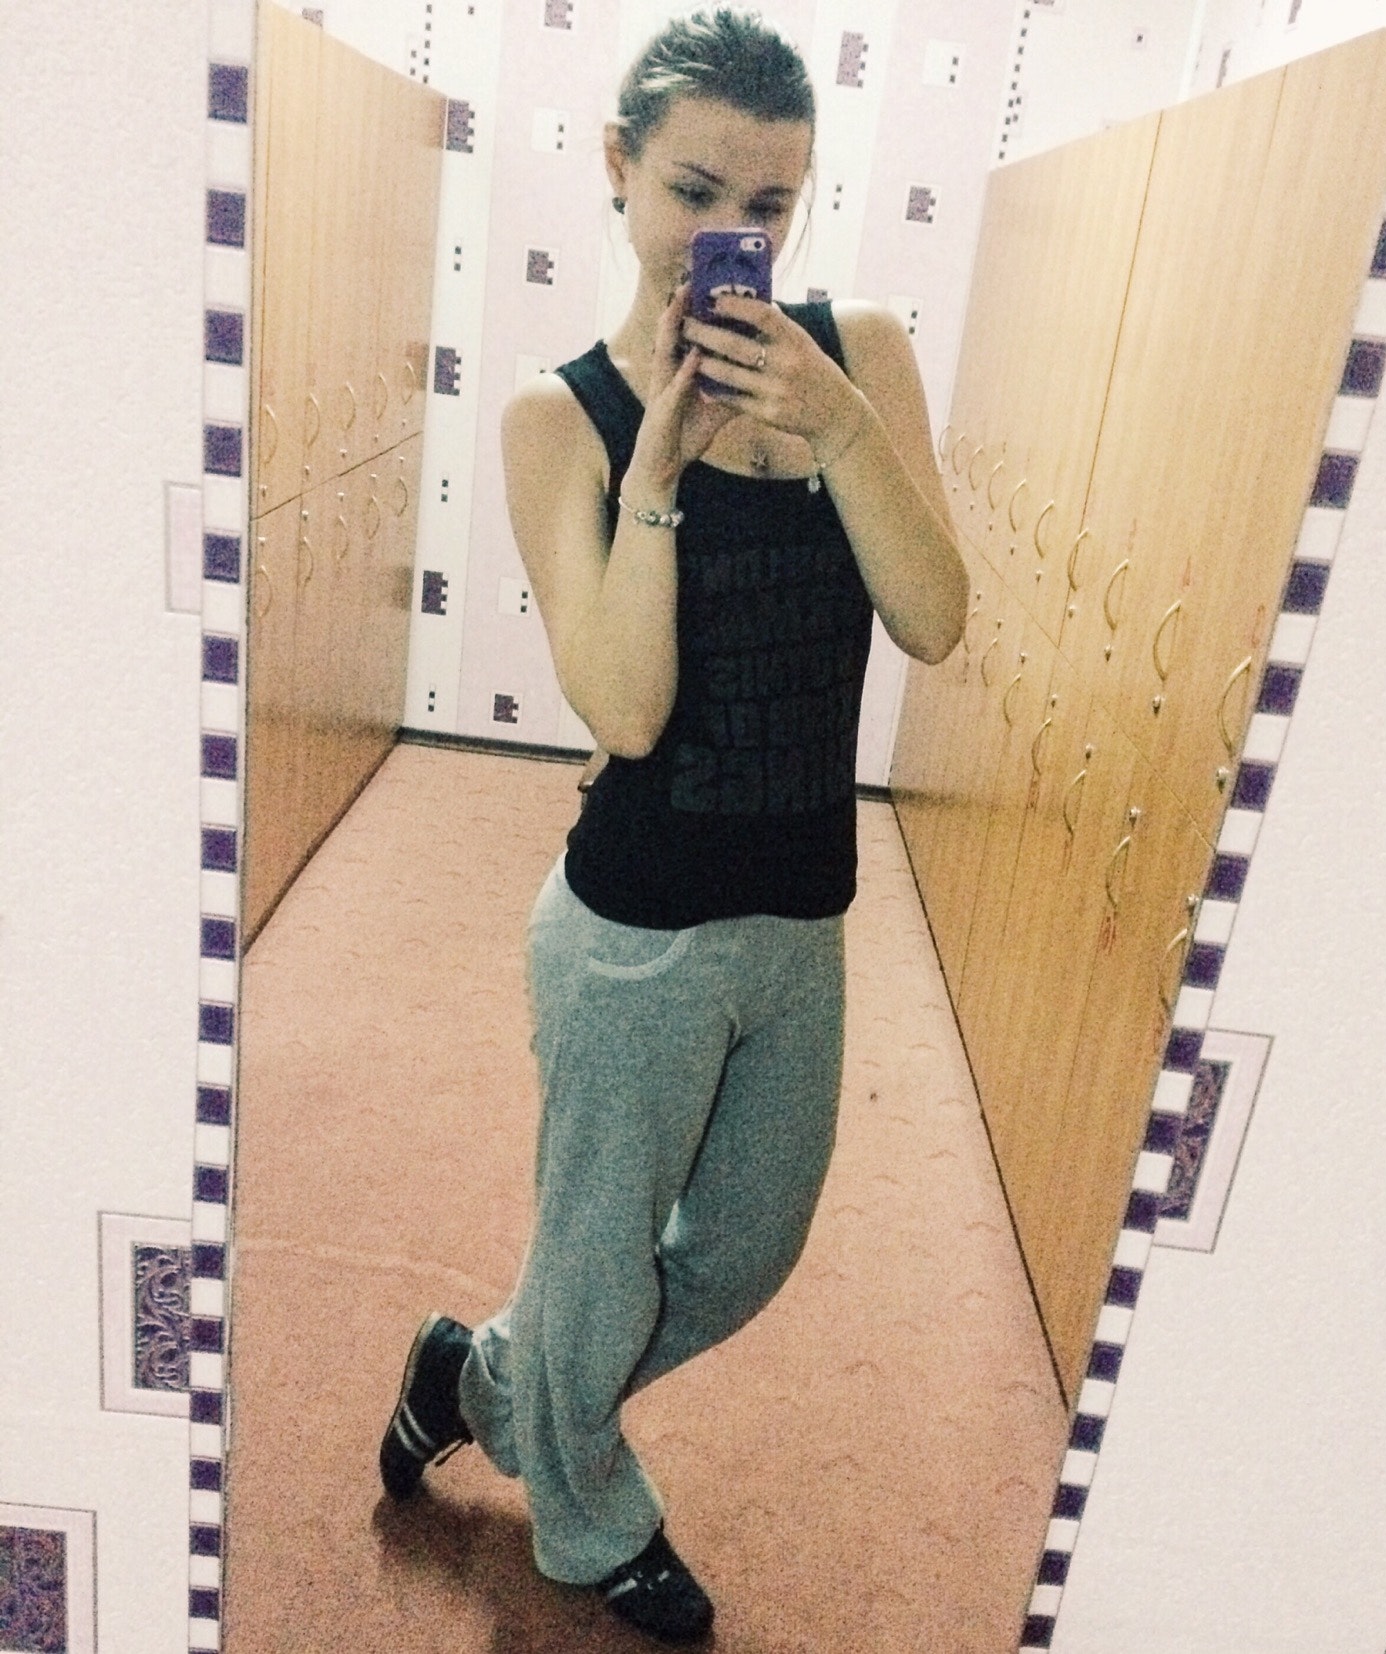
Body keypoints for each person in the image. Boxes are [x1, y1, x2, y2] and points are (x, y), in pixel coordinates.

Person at [378, 8, 969, 1643]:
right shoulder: (556, 417)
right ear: (621, 169)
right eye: (697, 190)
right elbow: (626, 713)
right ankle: (590, 1522)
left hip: (803, 914)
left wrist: (838, 428)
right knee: (599, 1257)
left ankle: (473, 1377)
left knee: (743, 1251)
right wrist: (658, 472)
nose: (733, 232)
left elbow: (934, 619)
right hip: (632, 933)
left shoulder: (863, 355)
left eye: (770, 203)